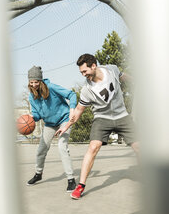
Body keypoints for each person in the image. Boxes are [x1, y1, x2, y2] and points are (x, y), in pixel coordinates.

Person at [56, 53, 139, 199]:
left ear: (93, 66)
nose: (83, 75)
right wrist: (66, 126)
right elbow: (79, 111)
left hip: (122, 116)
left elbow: (123, 76)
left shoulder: (112, 69)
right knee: (93, 147)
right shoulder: (87, 90)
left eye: (85, 71)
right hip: (102, 118)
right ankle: (80, 186)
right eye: (81, 72)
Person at [27, 65, 77, 192]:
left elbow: (71, 95)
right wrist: (33, 117)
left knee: (62, 146)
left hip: (64, 120)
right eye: (31, 82)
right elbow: (38, 114)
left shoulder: (52, 87)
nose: (33, 85)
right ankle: (38, 174)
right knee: (41, 149)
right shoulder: (31, 96)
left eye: (36, 82)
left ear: (41, 81)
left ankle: (71, 179)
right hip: (49, 124)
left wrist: (72, 111)